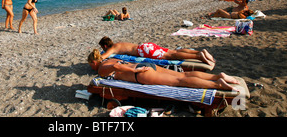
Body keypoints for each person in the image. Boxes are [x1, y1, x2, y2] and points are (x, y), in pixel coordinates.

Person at [87, 50, 239, 91]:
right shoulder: (109, 59)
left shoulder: (101, 68)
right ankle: (216, 76)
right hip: (146, 66)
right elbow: (116, 63)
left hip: (140, 74)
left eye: (90, 64)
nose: (91, 67)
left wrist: (136, 72)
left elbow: (116, 67)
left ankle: (217, 84)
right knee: (183, 74)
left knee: (180, 81)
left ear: (94, 62)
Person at [98, 36, 215, 67]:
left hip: (144, 51)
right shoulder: (118, 44)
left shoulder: (112, 48)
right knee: (173, 51)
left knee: (171, 56)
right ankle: (198, 52)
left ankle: (199, 56)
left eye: (103, 48)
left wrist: (99, 57)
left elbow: (103, 57)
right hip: (146, 46)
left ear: (105, 46)